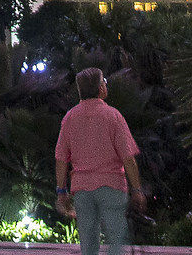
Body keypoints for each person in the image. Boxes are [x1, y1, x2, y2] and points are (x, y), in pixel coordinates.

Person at [54, 67, 145, 255]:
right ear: (100, 88)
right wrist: (136, 190)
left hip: (82, 189)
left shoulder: (69, 118)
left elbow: (61, 159)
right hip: (112, 186)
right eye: (104, 81)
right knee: (116, 238)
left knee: (88, 243)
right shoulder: (113, 116)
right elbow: (128, 158)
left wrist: (61, 191)